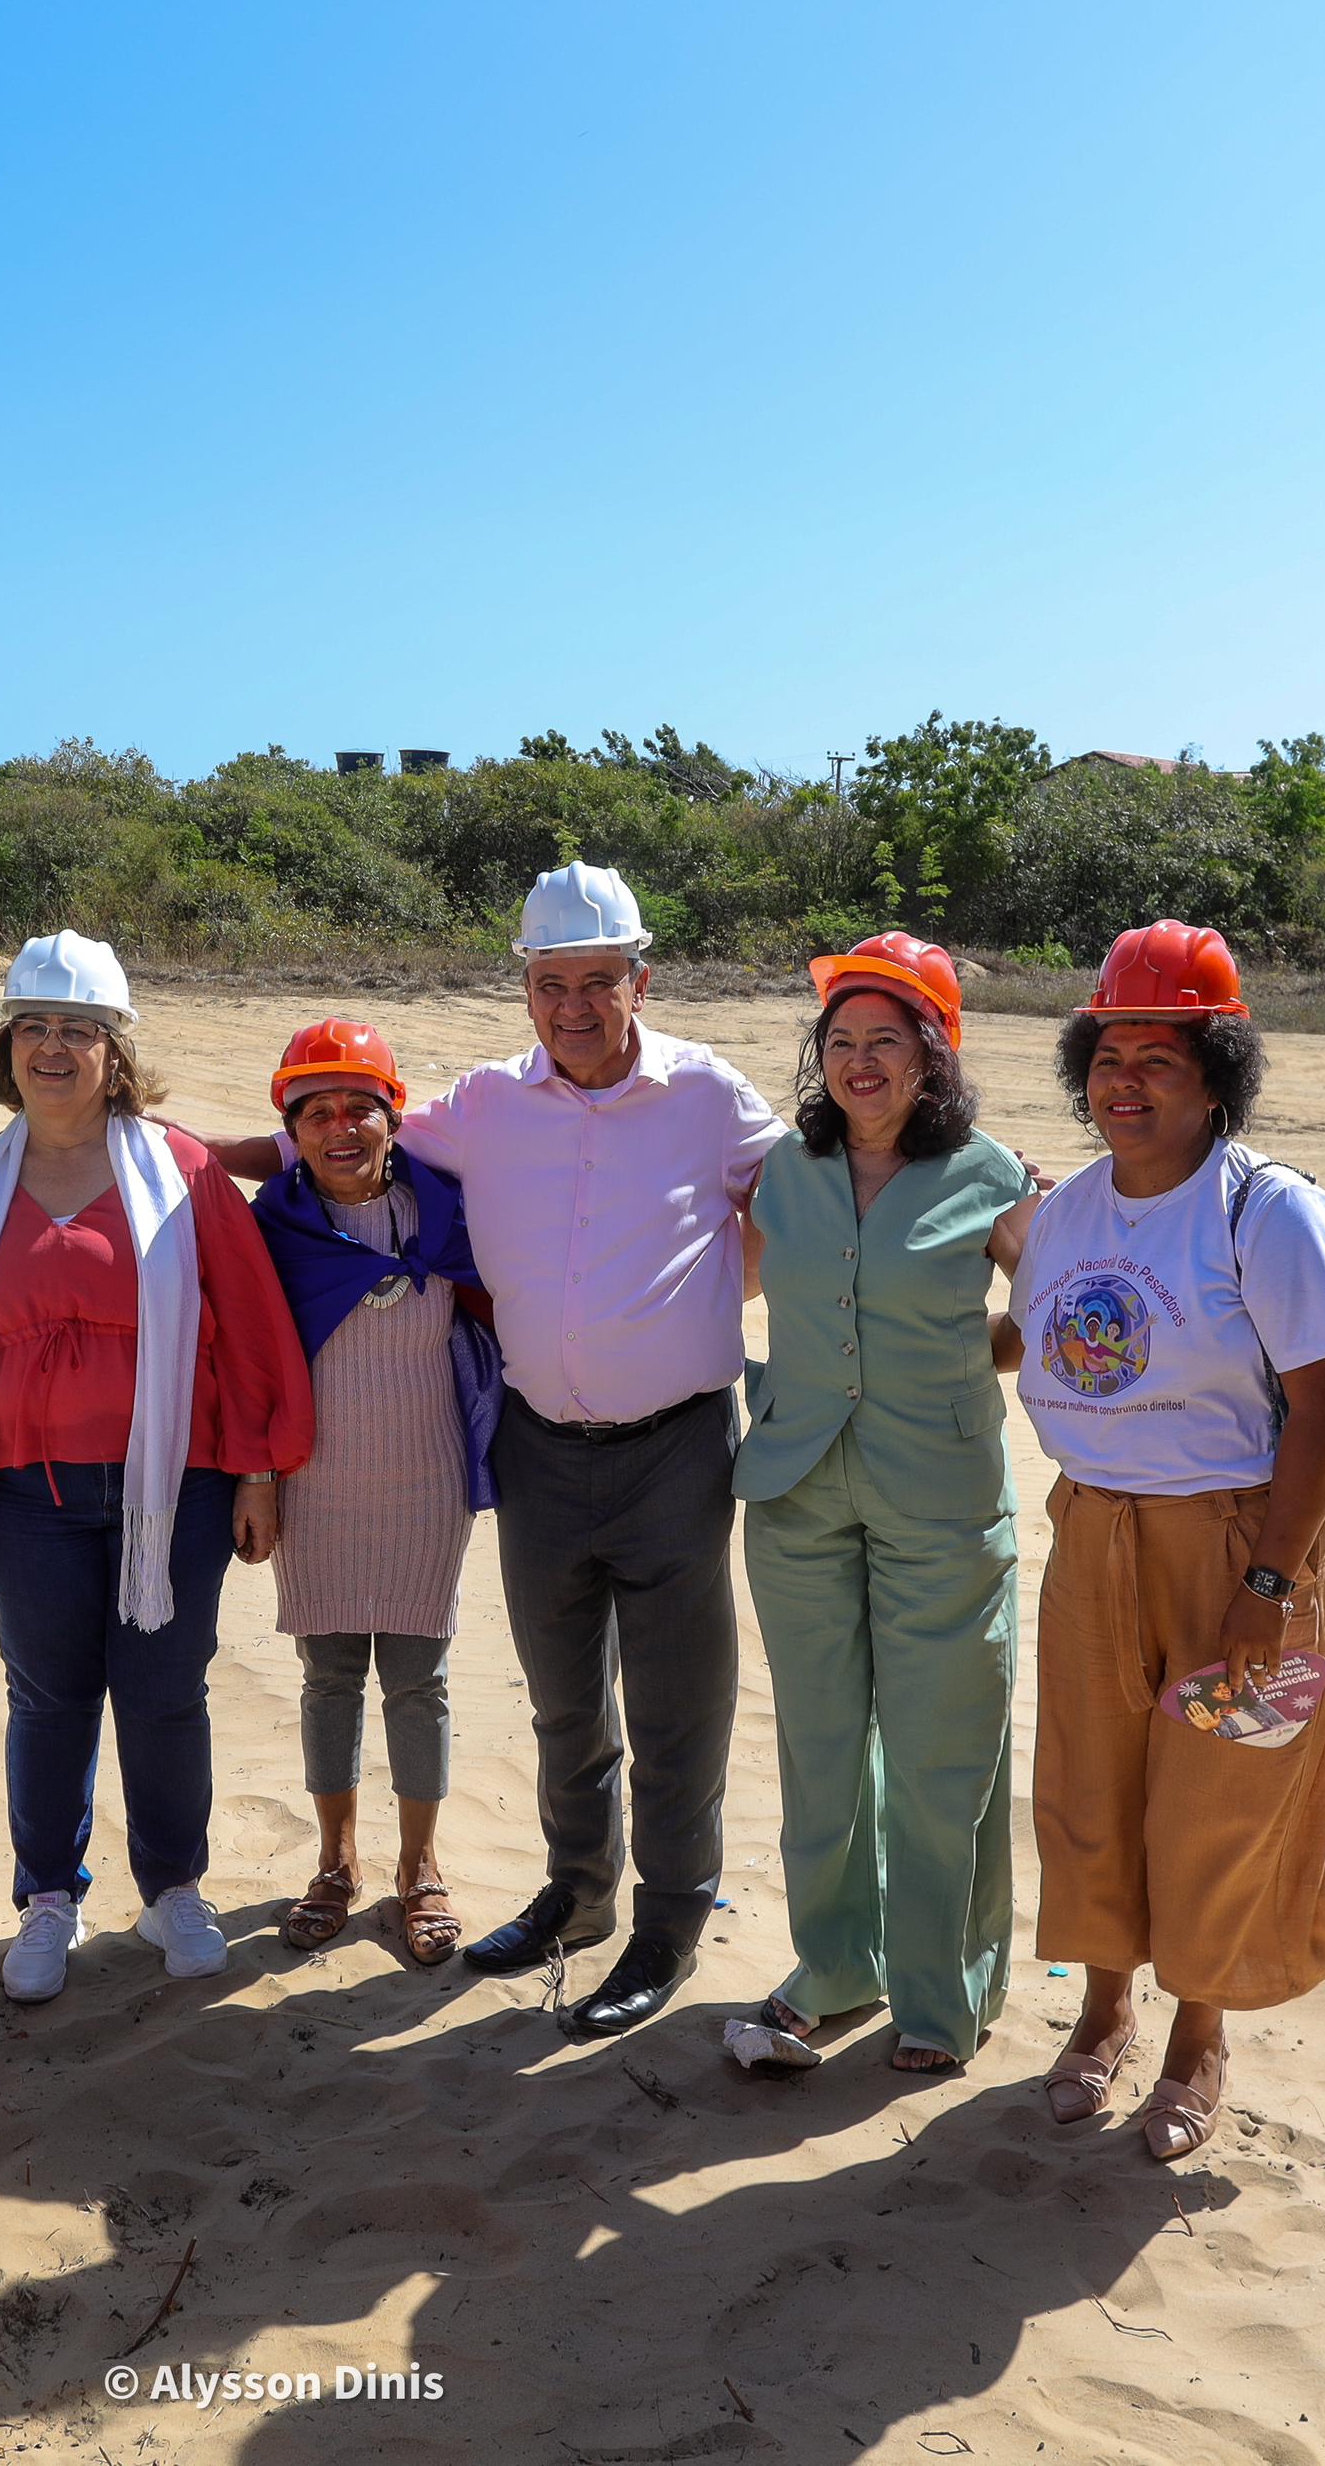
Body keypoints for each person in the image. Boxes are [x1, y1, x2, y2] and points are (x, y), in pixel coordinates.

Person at [224, 863, 783, 2038]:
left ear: (640, 978)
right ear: (523, 987)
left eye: (595, 980)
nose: (572, 1004)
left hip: (677, 1448)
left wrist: (978, 1179)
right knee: (564, 1703)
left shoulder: (708, 1094)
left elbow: (815, 1190)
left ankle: (666, 1924)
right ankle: (577, 1897)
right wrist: (163, 1153)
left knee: (679, 1708)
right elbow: (335, 1140)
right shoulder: (482, 1104)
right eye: (548, 982)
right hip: (537, 1449)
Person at [0, 931, 313, 2004]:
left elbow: (253, 1322)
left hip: (176, 1487)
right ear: (5, 1046)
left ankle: (173, 1885)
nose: (54, 1047)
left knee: (166, 1695)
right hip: (28, 1495)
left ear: (116, 1052)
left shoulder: (180, 1169)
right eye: (34, 1027)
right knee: (48, 1695)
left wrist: (260, 1469)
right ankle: (48, 1897)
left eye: (79, 1030)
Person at [1010, 919, 1325, 2164]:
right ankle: (1101, 2010)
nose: (1126, 1080)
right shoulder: (1061, 1212)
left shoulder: (1267, 1214)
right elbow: (1034, 1339)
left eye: (1159, 1056)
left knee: (1218, 1800)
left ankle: (1196, 2036)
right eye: (1109, 1052)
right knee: (1093, 1786)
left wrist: (1269, 1583)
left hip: (1237, 1545)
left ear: (1217, 1071)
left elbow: (1324, 1404)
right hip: (1091, 1540)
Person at [733, 935, 1039, 2078]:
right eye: (841, 1041)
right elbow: (726, 1275)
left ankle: (939, 1991)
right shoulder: (783, 1169)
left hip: (940, 1498)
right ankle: (834, 1966)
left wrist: (971, 1360)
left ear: (933, 1054)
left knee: (938, 1754)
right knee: (819, 1744)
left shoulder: (991, 1173)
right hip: (796, 1488)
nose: (859, 1062)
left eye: (886, 1041)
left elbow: (1047, 1309)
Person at [246, 1019, 500, 1967]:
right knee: (328, 1678)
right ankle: (338, 1860)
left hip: (425, 1478)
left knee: (420, 1682)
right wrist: (260, 1479)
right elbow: (247, 1360)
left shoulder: (446, 1211)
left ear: (394, 1118)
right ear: (292, 1127)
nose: (340, 1128)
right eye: (316, 1111)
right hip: (315, 1485)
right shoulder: (276, 1224)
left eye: (361, 1107)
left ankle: (420, 1866)